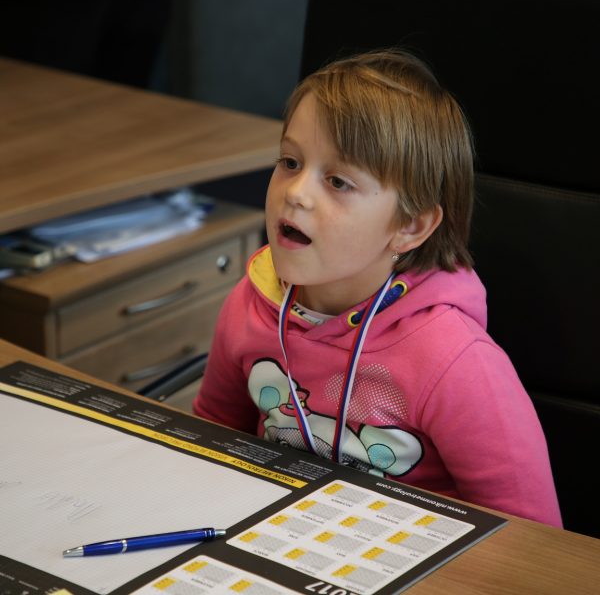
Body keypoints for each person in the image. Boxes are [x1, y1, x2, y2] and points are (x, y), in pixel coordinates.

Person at [193, 49, 562, 527]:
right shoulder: (251, 303)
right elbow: (207, 443)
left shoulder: (455, 361)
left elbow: (532, 539)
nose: (296, 192)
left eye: (338, 181)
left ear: (410, 226)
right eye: (290, 161)